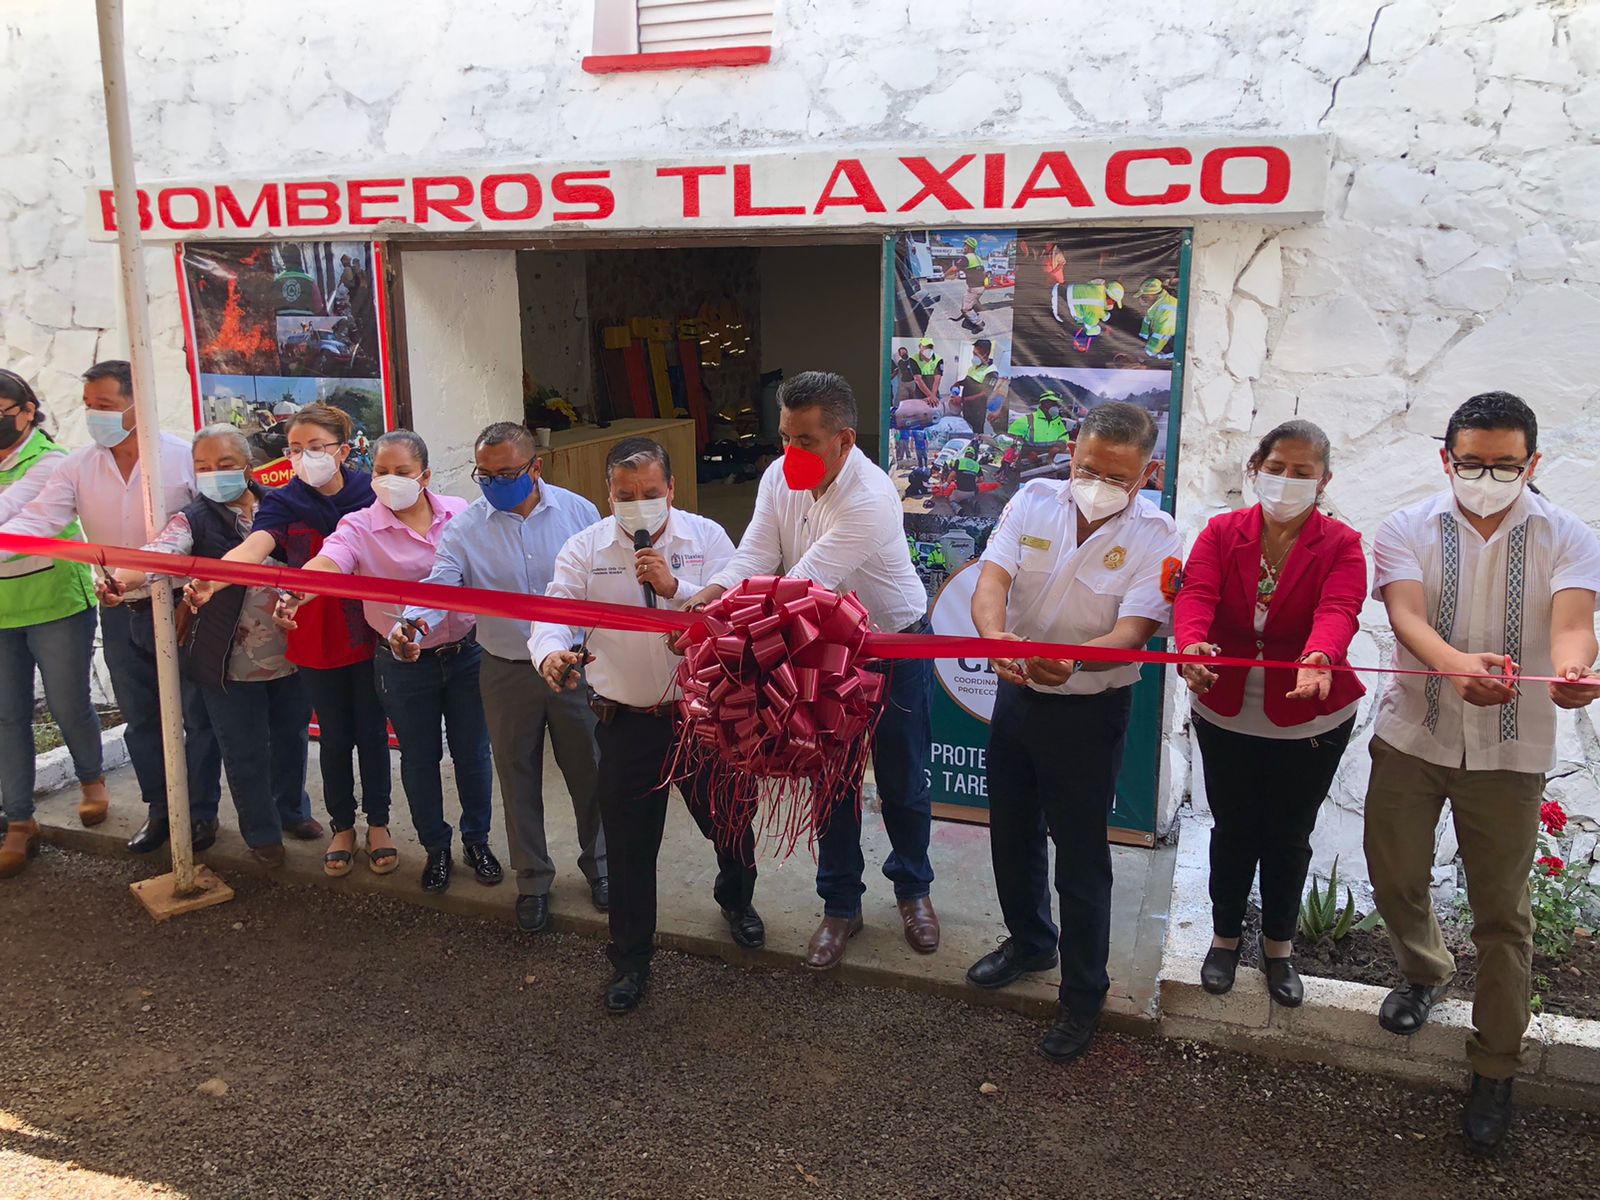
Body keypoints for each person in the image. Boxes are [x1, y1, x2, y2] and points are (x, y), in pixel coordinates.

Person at [1363, 392, 1600, 1156]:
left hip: (1510, 752)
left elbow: (1572, 624)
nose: (1487, 476)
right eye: (1473, 462)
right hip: (1413, 732)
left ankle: (1495, 1064)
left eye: (1505, 464)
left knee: (1504, 914)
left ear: (1533, 463)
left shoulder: (1569, 536)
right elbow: (1404, 617)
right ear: (1447, 458)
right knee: (1393, 874)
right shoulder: (1405, 526)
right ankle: (1426, 970)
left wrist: (1573, 669)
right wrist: (1454, 666)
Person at [683, 371, 937, 970]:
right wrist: (710, 597)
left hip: (890, 644)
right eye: (783, 437)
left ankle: (913, 890)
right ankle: (840, 903)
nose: (788, 453)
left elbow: (806, 583)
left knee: (903, 776)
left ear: (844, 441)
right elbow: (755, 554)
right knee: (831, 777)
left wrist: (726, 620)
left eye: (805, 442)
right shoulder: (777, 477)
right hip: (821, 644)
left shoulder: (871, 496)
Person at [967, 401, 1182, 1064]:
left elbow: (1134, 633)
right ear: (1071, 454)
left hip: (1090, 711)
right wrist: (995, 637)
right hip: (1017, 696)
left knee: (1082, 858)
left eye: (1117, 476)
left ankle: (1083, 993)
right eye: (1088, 467)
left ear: (1147, 472)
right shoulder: (1033, 500)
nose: (1097, 482)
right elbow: (991, 581)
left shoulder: (1161, 535)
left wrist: (1076, 659)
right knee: (1012, 832)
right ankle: (1030, 941)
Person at [533, 437, 759, 1013]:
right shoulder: (585, 548)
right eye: (624, 495)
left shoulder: (707, 539)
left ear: (672, 489)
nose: (637, 505)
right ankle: (631, 960)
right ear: (607, 494)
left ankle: (737, 898)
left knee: (729, 821)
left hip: (704, 720)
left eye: (650, 493)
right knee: (631, 847)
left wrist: (674, 588)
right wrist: (550, 654)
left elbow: (733, 614)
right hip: (628, 723)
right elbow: (553, 613)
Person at [1172, 420, 1367, 1005]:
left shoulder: (1342, 544)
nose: (1286, 480)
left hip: (1311, 717)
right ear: (1255, 469)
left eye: (1302, 472)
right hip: (1226, 709)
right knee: (1232, 830)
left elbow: (1340, 608)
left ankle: (1279, 948)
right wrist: (1191, 646)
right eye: (1276, 467)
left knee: (1288, 835)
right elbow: (1197, 594)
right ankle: (1225, 938)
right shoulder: (1221, 531)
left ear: (1323, 480)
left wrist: (1319, 655)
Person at [0, 361, 221, 854]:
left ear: (136, 404)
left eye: (104, 406)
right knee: (142, 716)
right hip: (121, 609)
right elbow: (38, 520)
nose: (93, 417)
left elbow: (212, 524)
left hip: (185, 607)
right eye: (88, 407)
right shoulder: (77, 465)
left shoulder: (182, 458)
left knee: (196, 716)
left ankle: (202, 813)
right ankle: (161, 810)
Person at [401, 422, 605, 928]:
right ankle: (533, 879)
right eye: (484, 475)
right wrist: (411, 622)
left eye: (507, 473)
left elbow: (601, 583)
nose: (494, 484)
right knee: (516, 775)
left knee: (591, 770)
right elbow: (441, 583)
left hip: (575, 666)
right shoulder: (467, 528)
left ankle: (602, 869)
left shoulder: (579, 513)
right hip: (507, 668)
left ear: (536, 467)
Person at [282, 430, 487, 887]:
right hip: (403, 661)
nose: (389, 481)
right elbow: (331, 560)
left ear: (426, 476)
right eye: (380, 471)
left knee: (473, 754)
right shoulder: (359, 526)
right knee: (419, 757)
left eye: (401, 472)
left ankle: (478, 842)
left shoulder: (460, 513)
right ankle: (436, 847)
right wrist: (300, 589)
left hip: (466, 655)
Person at [104, 426, 311, 867]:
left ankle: (292, 811)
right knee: (244, 747)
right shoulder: (193, 519)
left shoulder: (284, 505)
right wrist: (123, 578)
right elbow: (162, 554)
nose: (213, 474)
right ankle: (262, 833)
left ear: (248, 467)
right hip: (227, 658)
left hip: (293, 651)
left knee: (291, 738)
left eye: (225, 465)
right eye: (203, 467)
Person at [188, 404, 384, 862]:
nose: (304, 457)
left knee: (371, 732)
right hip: (310, 629)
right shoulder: (282, 502)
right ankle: (340, 827)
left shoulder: (371, 494)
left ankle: (379, 825)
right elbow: (254, 547)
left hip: (372, 630)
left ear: (343, 449)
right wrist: (215, 577)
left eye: (315, 447)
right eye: (295, 449)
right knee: (333, 736)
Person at [0, 371, 105, 876]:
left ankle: (92, 778)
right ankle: (19, 820)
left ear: (26, 410)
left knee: (68, 703)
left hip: (55, 601)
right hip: (1, 611)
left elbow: (12, 513)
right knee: (7, 716)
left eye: (2, 412)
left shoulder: (52, 462)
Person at [1007, 390, 1072, 447]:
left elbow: (1064, 437)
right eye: (1052, 403)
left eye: (1057, 404)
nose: (1055, 407)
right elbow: (1011, 442)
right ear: (1043, 404)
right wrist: (1027, 452)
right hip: (1028, 459)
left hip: (1054, 459)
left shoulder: (1058, 422)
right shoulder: (1026, 420)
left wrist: (1060, 446)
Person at [959, 340, 998, 434]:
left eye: (978, 354)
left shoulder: (992, 371)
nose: (974, 356)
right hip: (966, 407)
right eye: (974, 353)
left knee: (977, 431)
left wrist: (963, 400)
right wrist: (958, 383)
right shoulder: (973, 367)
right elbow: (967, 381)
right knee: (967, 428)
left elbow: (985, 393)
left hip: (977, 410)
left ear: (986, 354)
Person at [950, 236, 987, 332]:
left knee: (965, 309)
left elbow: (954, 268)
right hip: (981, 287)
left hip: (974, 288)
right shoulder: (978, 258)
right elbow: (983, 273)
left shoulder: (966, 258)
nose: (963, 246)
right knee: (973, 303)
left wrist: (944, 275)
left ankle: (979, 324)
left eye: (965, 245)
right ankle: (974, 318)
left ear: (969, 247)